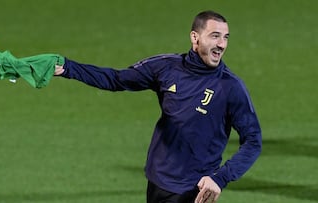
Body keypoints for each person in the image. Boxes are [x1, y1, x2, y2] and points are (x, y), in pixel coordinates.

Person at [54, 10, 262, 203]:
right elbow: (116, 79)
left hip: (194, 189)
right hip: (158, 180)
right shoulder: (165, 67)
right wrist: (68, 68)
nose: (222, 44)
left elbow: (253, 140)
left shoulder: (231, 87)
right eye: (215, 36)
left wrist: (220, 178)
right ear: (195, 38)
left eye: (225, 37)